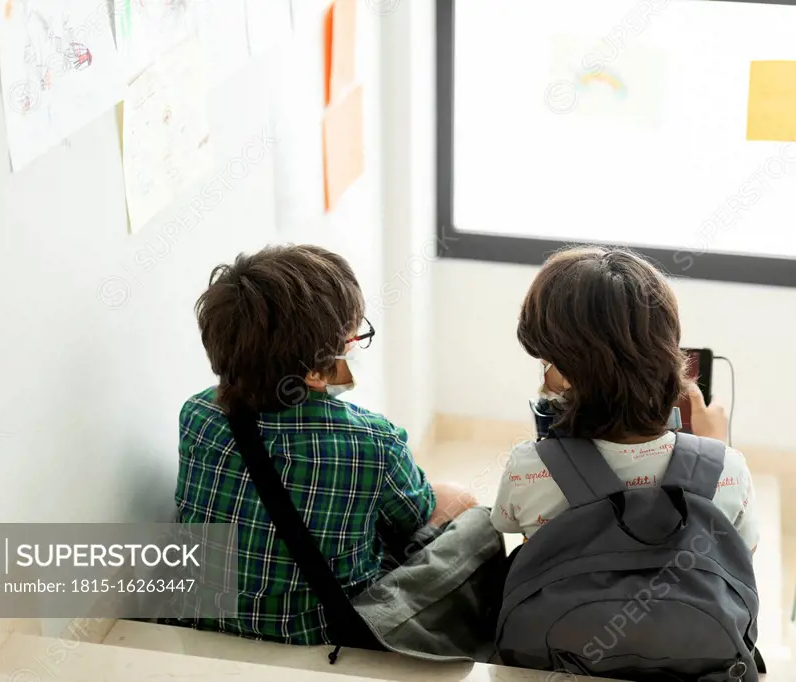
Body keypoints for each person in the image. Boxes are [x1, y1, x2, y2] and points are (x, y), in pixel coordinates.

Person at [175, 245, 476, 645]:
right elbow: (415, 517)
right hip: (317, 636)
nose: (353, 347)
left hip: (200, 623)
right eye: (352, 339)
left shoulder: (197, 416)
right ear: (317, 372)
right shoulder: (374, 441)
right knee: (458, 498)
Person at [490, 246, 759, 550]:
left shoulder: (528, 468)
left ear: (567, 374)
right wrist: (713, 452)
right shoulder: (729, 470)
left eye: (545, 365)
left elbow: (505, 522)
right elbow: (743, 551)